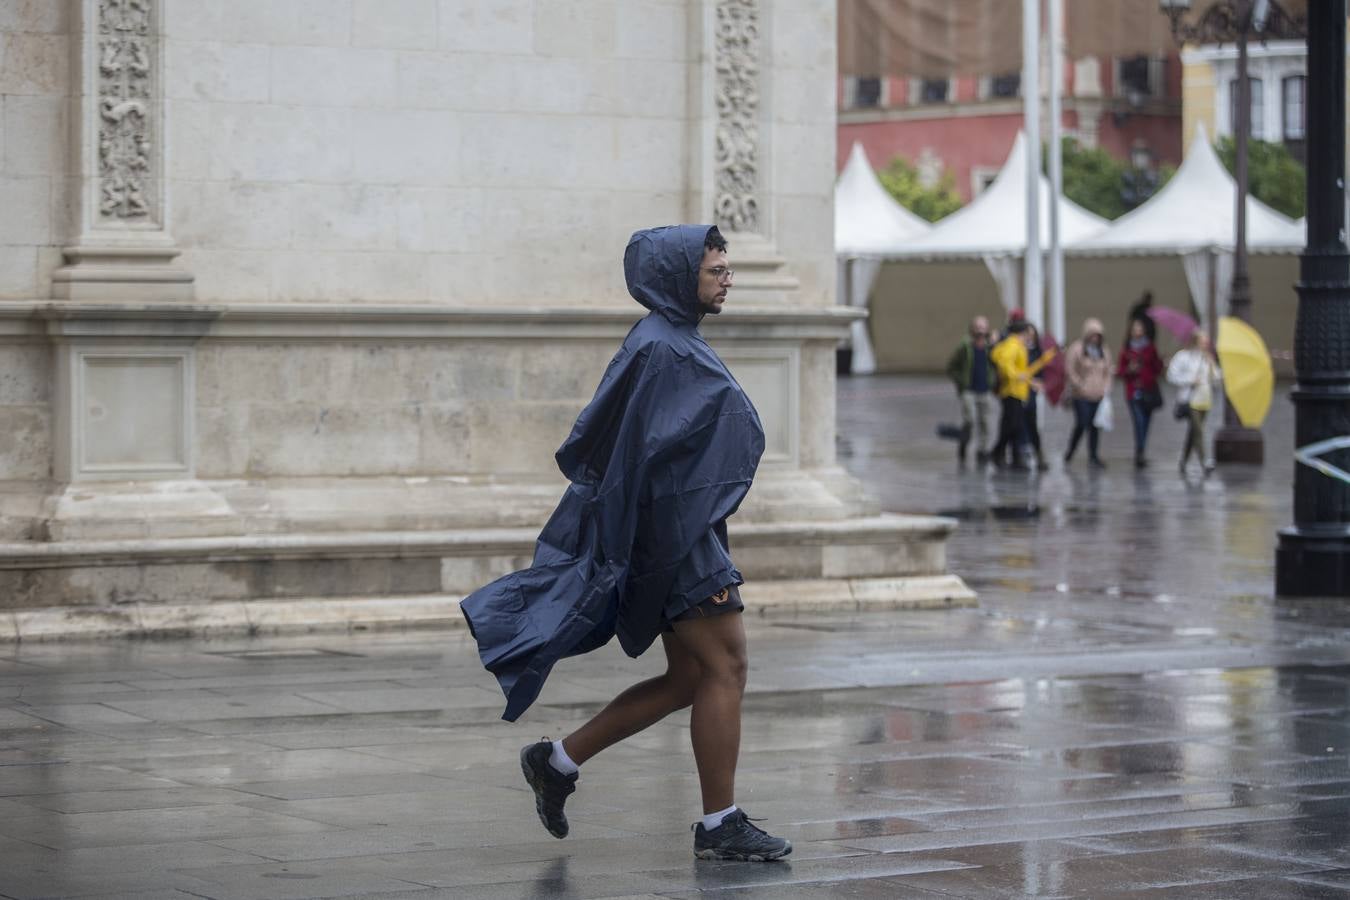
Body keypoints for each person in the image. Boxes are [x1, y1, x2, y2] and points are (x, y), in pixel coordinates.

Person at [460, 224, 791, 863]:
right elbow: (644, 455)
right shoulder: (663, 348)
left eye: (727, 268)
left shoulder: (667, 340)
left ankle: (557, 761)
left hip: (674, 531)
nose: (728, 279)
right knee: (726, 668)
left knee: (692, 675)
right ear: (679, 275)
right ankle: (720, 824)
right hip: (677, 537)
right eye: (716, 269)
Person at [989, 321, 1055, 471]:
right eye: (1028, 334)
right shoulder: (1013, 345)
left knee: (1012, 426)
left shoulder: (1016, 345)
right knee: (1011, 426)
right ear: (1023, 333)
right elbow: (1005, 363)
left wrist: (1048, 357)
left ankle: (1001, 454)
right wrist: (1016, 375)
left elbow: (1026, 371)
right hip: (1013, 391)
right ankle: (998, 452)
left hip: (1017, 391)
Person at [1167, 330, 1222, 476]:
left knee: (1193, 432)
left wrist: (1212, 366)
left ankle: (1184, 460)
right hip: (1191, 399)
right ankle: (1205, 461)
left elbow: (1216, 379)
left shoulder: (1207, 358)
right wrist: (1190, 380)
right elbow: (1171, 376)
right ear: (1195, 341)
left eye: (1206, 342)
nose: (1205, 344)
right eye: (1202, 341)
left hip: (1205, 399)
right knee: (1198, 430)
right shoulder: (1183, 357)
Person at [945, 316, 998, 465]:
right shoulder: (965, 346)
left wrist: (992, 381)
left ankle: (982, 450)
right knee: (970, 419)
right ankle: (964, 442)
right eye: (978, 326)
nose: (981, 330)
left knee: (985, 421)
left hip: (985, 389)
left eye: (983, 326)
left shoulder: (990, 347)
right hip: (969, 390)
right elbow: (951, 367)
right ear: (972, 328)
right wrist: (961, 381)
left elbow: (997, 364)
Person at [1062, 317, 1112, 469]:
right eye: (1093, 334)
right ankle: (1071, 450)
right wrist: (1079, 384)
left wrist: (1106, 388)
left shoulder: (1103, 351)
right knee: (1082, 423)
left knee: (1095, 426)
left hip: (1098, 394)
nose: (1095, 338)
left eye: (1098, 335)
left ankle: (1093, 455)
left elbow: (1108, 371)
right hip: (1081, 395)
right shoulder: (1077, 349)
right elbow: (1070, 369)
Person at [1117, 318, 1164, 469]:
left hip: (1148, 390)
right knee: (1139, 421)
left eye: (1139, 328)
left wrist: (1161, 362)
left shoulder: (1150, 348)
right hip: (1133, 391)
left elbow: (1157, 368)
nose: (1137, 331)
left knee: (1146, 422)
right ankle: (1140, 451)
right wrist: (1129, 369)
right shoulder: (1126, 351)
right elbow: (1120, 371)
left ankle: (1141, 449)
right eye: (1134, 328)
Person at [1022, 324, 1049, 471]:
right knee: (1018, 425)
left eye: (1032, 334)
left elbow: (1041, 373)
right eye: (1027, 333)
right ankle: (1021, 454)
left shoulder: (1037, 352)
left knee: (1031, 424)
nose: (1029, 337)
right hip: (1018, 391)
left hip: (1030, 392)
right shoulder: (1018, 349)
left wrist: (1038, 382)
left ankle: (1038, 454)